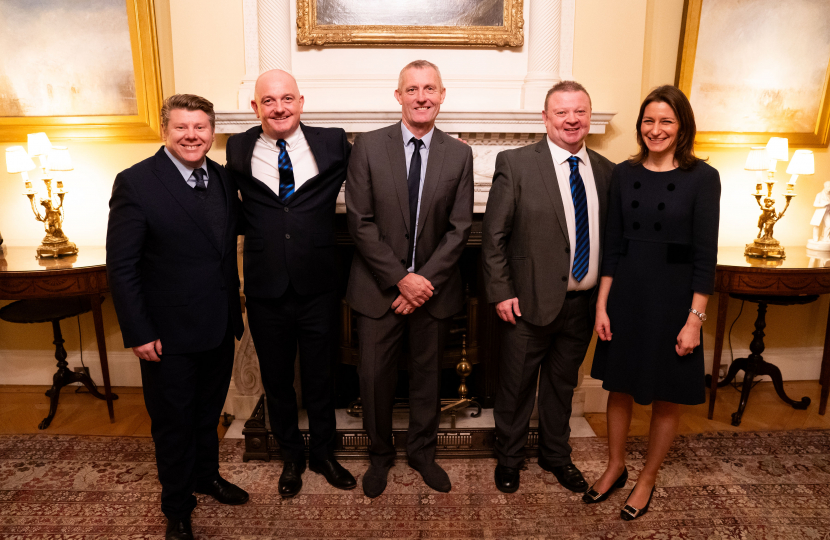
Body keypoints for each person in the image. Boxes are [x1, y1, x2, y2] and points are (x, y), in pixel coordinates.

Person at [107, 94, 248, 540]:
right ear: (165, 131)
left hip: (218, 325)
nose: (192, 136)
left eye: (201, 127)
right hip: (167, 334)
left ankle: (206, 477)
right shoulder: (136, 182)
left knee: (208, 415)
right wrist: (139, 330)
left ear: (212, 131)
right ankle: (177, 506)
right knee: (173, 423)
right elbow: (122, 265)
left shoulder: (223, 179)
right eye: (182, 127)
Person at [588, 85, 720, 520]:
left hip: (674, 301)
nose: (655, 129)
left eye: (666, 121)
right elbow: (612, 246)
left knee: (666, 394)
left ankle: (646, 478)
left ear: (682, 126)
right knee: (619, 386)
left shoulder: (703, 177)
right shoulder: (624, 174)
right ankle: (615, 467)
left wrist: (695, 320)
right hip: (627, 294)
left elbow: (705, 255)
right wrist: (602, 306)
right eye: (648, 120)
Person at [346, 60, 474, 498]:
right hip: (378, 290)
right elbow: (359, 222)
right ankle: (379, 457)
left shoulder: (459, 154)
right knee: (374, 379)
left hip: (432, 294)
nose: (422, 97)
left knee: (427, 378)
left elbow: (460, 229)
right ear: (398, 96)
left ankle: (422, 454)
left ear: (442, 95)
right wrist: (401, 280)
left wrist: (422, 284)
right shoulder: (367, 146)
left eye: (430, 89)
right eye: (413, 89)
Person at [225, 69, 356, 498]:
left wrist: (443, 150)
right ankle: (291, 457)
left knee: (321, 377)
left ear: (301, 101)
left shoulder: (333, 141)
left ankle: (323, 452)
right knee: (277, 381)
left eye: (287, 99)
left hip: (318, 283)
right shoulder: (239, 147)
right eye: (269, 100)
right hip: (265, 287)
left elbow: (378, 167)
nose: (279, 108)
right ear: (255, 107)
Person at [481, 81, 614, 494]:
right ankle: (509, 458)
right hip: (527, 302)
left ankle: (557, 456)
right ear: (545, 118)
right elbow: (493, 236)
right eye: (562, 112)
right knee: (516, 385)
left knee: (562, 386)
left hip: (582, 304)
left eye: (580, 112)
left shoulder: (608, 172)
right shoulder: (517, 164)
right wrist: (501, 291)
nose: (572, 120)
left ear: (589, 117)